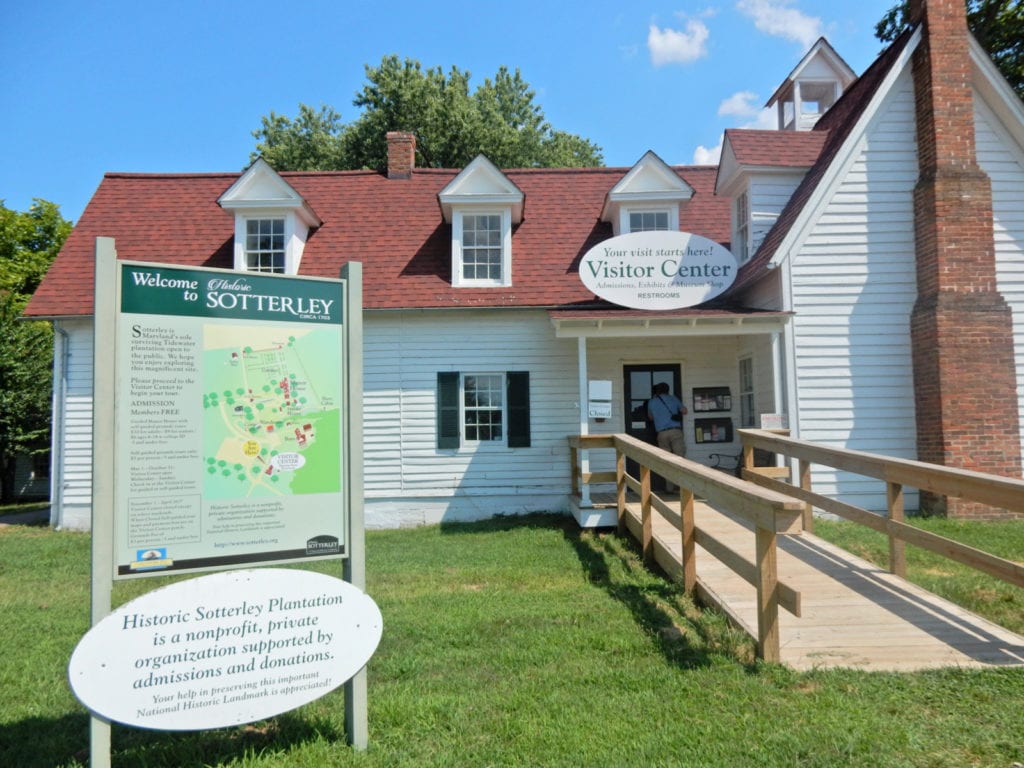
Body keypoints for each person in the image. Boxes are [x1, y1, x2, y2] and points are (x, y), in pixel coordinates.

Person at [647, 382, 687, 492]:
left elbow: (650, 417)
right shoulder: (673, 399)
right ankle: (682, 487)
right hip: (675, 432)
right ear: (668, 390)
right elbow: (684, 411)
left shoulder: (652, 402)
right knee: (680, 459)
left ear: (657, 391)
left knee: (667, 460)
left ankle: (669, 488)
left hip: (662, 433)